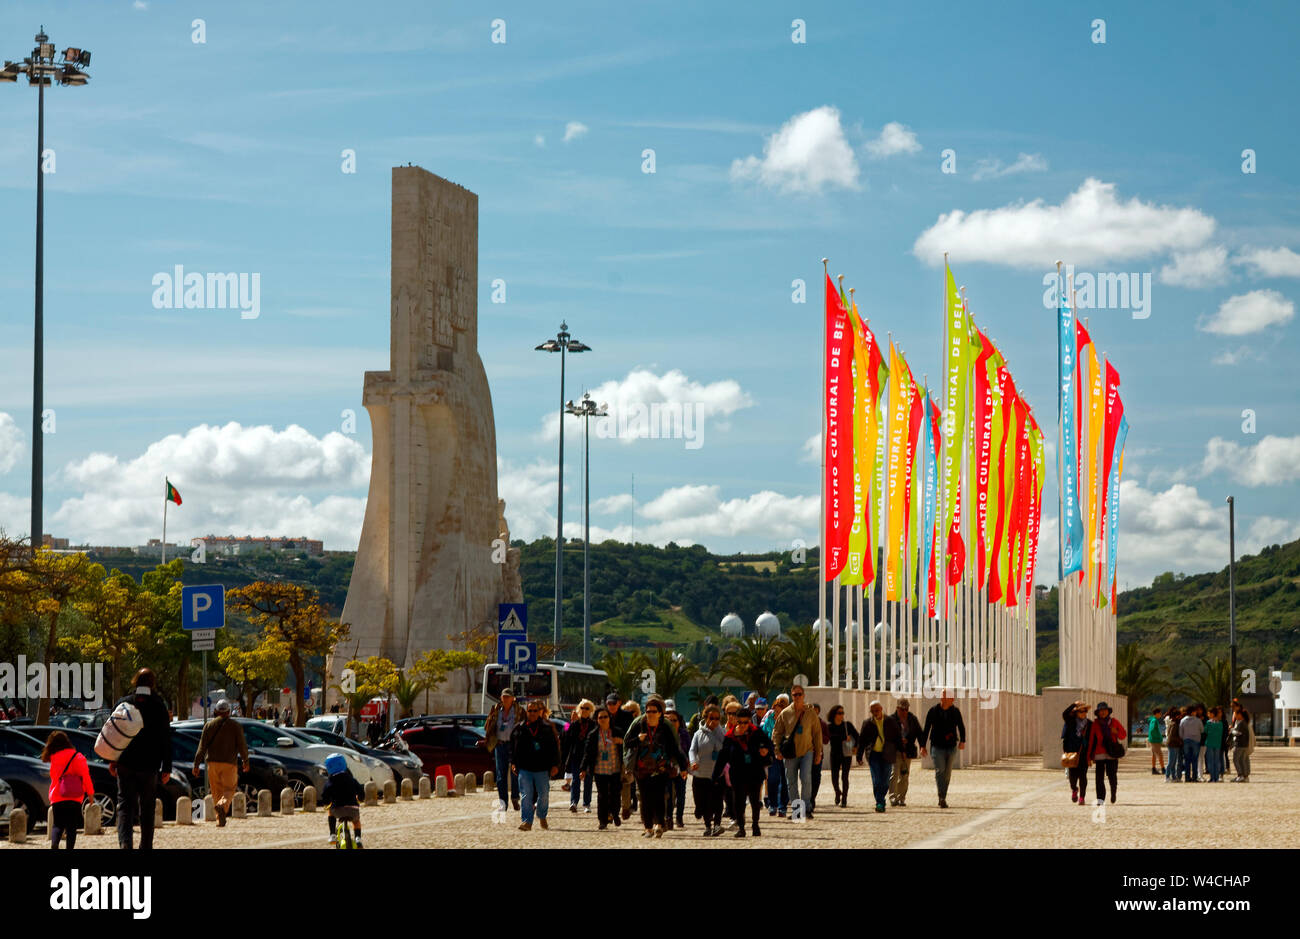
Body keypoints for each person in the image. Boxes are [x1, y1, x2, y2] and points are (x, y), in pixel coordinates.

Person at [109, 667, 172, 850]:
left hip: (125, 763)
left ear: (135, 681)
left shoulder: (124, 702)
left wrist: (112, 760)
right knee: (147, 808)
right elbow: (165, 738)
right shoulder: (159, 705)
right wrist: (166, 767)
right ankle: (146, 845)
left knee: (125, 806)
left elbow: (112, 732)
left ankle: (125, 843)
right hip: (149, 766)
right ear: (152, 683)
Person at [623, 696, 687, 838]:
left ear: (659, 713)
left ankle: (659, 824)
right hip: (641, 769)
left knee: (659, 796)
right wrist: (638, 740)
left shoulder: (665, 727)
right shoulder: (639, 724)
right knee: (645, 798)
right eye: (648, 711)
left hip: (661, 768)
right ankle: (648, 828)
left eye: (653, 711)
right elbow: (627, 743)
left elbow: (675, 748)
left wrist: (682, 767)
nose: (650, 714)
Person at [712, 707, 772, 838]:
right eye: (740, 722)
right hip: (737, 774)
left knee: (755, 802)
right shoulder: (730, 737)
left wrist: (765, 750)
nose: (743, 725)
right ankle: (742, 828)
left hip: (754, 773)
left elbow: (768, 744)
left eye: (746, 722)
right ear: (736, 722)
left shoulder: (756, 732)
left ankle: (755, 825)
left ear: (749, 721)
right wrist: (715, 775)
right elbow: (723, 756)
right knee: (738, 803)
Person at [192, 698, 250, 826]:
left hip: (212, 764)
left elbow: (202, 747)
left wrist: (196, 764)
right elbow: (242, 745)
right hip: (229, 763)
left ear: (216, 711)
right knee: (229, 789)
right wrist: (246, 760)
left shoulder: (209, 726)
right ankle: (222, 805)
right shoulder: (235, 726)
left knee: (216, 792)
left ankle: (219, 819)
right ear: (229, 712)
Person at [770, 684, 823, 818]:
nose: (797, 697)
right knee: (791, 781)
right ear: (791, 696)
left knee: (806, 778)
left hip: (807, 750)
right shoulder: (785, 713)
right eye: (795, 695)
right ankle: (797, 810)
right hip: (790, 753)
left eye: (800, 694)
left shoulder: (810, 712)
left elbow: (817, 733)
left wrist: (818, 752)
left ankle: (807, 808)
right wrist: (777, 750)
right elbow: (776, 732)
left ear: (804, 695)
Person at [510, 699, 561, 831]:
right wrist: (513, 763)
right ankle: (527, 821)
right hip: (525, 768)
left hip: (542, 768)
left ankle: (542, 815)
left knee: (543, 794)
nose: (532, 713)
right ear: (526, 712)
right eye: (530, 710)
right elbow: (514, 748)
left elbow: (554, 747)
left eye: (535, 711)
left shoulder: (547, 728)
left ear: (539, 712)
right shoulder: (520, 728)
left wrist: (555, 764)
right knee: (526, 795)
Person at [42, 730, 93, 850]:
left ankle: (55, 843)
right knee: (71, 827)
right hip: (74, 796)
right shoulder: (78, 757)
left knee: (58, 824)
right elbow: (86, 777)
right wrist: (90, 794)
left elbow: (54, 777)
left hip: (58, 795)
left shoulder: (54, 758)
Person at [579, 704, 623, 830]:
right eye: (600, 717)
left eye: (605, 716)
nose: (603, 719)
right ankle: (602, 820)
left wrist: (621, 742)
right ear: (597, 720)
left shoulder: (617, 732)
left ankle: (614, 813)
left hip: (615, 769)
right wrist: (583, 769)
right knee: (602, 795)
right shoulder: (593, 735)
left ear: (609, 718)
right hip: (600, 770)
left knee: (615, 794)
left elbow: (627, 747)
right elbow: (587, 753)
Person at [919, 690, 966, 808]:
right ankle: (942, 797)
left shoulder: (955, 712)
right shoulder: (933, 711)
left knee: (947, 773)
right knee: (940, 771)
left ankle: (943, 795)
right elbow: (926, 729)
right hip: (937, 746)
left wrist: (962, 741)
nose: (951, 699)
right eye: (945, 696)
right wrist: (922, 746)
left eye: (949, 697)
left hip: (951, 746)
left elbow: (961, 726)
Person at [858, 700, 902, 812]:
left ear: (881, 709)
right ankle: (880, 802)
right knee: (876, 780)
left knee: (886, 780)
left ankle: (880, 800)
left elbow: (897, 737)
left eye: (877, 710)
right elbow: (862, 740)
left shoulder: (890, 721)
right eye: (872, 711)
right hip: (873, 755)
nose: (875, 713)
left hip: (888, 754)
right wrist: (859, 755)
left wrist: (902, 751)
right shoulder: (867, 723)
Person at [689, 705, 726, 836]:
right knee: (702, 802)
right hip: (700, 774)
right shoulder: (698, 734)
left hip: (717, 774)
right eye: (711, 718)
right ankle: (706, 822)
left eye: (717, 718)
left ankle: (716, 825)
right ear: (706, 718)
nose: (714, 721)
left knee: (717, 801)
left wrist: (716, 732)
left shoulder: (722, 733)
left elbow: (725, 748)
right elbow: (692, 750)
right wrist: (693, 762)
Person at [486, 689, 525, 810]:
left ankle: (514, 798)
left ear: (513, 698)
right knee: (500, 775)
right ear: (501, 698)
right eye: (504, 697)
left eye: (508, 697)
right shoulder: (496, 710)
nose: (506, 699)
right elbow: (488, 725)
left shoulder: (519, 711)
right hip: (500, 744)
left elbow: (524, 726)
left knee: (515, 773)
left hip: (514, 745)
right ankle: (503, 803)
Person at [320, 753, 366, 847]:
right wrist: (360, 799)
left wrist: (327, 803)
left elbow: (325, 795)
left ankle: (332, 834)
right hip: (352, 809)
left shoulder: (330, 782)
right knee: (356, 821)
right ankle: (358, 838)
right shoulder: (351, 779)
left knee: (330, 812)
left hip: (337, 809)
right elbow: (361, 791)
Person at [886, 698, 924, 807]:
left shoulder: (912, 719)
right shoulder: (891, 719)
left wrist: (922, 746)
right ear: (897, 708)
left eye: (906, 709)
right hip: (895, 751)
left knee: (905, 775)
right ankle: (893, 797)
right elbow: (887, 735)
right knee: (894, 774)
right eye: (902, 709)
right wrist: (898, 740)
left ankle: (901, 797)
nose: (904, 712)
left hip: (908, 751)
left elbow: (919, 733)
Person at [1086, 701, 1126, 804]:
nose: (1103, 712)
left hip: (1112, 754)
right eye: (1101, 711)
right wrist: (1089, 756)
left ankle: (1113, 792)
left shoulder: (1114, 722)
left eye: (1105, 710)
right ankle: (1100, 799)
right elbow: (1091, 740)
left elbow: (1123, 735)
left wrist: (1116, 732)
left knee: (1112, 776)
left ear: (1108, 711)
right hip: (1099, 753)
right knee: (1099, 779)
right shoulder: (1095, 724)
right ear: (1098, 713)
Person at [562, 699, 596, 813]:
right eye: (582, 708)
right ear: (578, 709)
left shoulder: (594, 724)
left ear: (591, 710)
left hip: (589, 756)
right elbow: (565, 734)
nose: (584, 710)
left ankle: (587, 804)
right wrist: (569, 722)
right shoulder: (574, 724)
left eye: (587, 708)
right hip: (576, 755)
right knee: (576, 780)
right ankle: (574, 802)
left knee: (588, 780)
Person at [825, 705, 858, 807]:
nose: (842, 715)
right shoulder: (829, 727)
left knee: (845, 777)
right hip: (834, 754)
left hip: (846, 754)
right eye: (839, 713)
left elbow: (857, 736)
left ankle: (844, 799)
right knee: (834, 777)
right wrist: (843, 737)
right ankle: (837, 792)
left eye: (843, 713)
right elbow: (830, 738)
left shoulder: (847, 725)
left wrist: (855, 746)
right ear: (834, 714)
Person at [664, 704, 691, 829]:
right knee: (668, 794)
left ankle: (679, 818)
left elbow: (689, 749)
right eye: (669, 720)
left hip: (682, 768)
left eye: (675, 720)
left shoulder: (684, 734)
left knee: (681, 794)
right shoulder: (663, 734)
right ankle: (668, 818)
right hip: (667, 768)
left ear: (679, 722)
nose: (672, 722)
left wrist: (688, 762)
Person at [762, 694, 789, 817]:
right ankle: (772, 805)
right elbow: (763, 735)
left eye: (781, 709)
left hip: (785, 753)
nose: (777, 711)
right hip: (772, 753)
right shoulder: (769, 720)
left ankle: (782, 807)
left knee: (784, 781)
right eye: (776, 708)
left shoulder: (789, 720)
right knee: (772, 780)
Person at [1061, 700, 1091, 804]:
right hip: (1072, 753)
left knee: (1083, 776)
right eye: (1080, 711)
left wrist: (1092, 755)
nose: (1083, 713)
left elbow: (1093, 739)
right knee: (1072, 777)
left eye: (1084, 711)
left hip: (1083, 754)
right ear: (1076, 712)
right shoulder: (1071, 722)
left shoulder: (1089, 724)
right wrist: (1074, 704)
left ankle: (1082, 797)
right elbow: (1064, 714)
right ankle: (1074, 789)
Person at [620, 699, 642, 817]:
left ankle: (635, 802)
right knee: (627, 781)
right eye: (627, 710)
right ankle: (628, 804)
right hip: (626, 754)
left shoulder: (639, 722)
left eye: (632, 711)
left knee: (635, 782)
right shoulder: (623, 721)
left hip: (637, 755)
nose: (630, 713)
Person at [1179, 705, 1204, 783]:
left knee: (1187, 760)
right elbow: (1202, 730)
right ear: (1193, 712)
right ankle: (1194, 777)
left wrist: (1184, 738)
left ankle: (1187, 777)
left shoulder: (1183, 720)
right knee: (1195, 760)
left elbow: (1180, 733)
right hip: (1196, 741)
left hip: (1186, 741)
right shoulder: (1198, 720)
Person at [1229, 705, 1252, 782]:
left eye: (1236, 714)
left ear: (1240, 715)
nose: (1235, 715)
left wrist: (1232, 730)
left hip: (1239, 744)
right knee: (1242, 760)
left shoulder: (1242, 723)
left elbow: (1238, 733)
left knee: (1236, 760)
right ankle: (1245, 776)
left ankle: (1240, 775)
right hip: (1244, 745)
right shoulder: (1243, 722)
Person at [1203, 707, 1225, 783]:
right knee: (1217, 761)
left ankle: (1212, 777)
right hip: (1218, 743)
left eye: (1209, 713)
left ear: (1212, 714)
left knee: (1210, 761)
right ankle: (1216, 777)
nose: (1208, 715)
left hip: (1209, 743)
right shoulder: (1220, 723)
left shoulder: (1209, 723)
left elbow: (1205, 731)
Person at [1164, 707, 1183, 782]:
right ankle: (1167, 776)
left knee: (1174, 761)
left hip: (1175, 745)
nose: (1180, 717)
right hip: (1172, 744)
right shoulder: (1174, 724)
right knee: (1171, 762)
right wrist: (1180, 740)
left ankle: (1174, 777)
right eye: (1179, 716)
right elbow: (1171, 736)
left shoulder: (1175, 723)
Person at [1147, 707, 1165, 775]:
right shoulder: (1154, 721)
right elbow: (1152, 730)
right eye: (1160, 713)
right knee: (1160, 755)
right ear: (1156, 713)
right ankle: (1163, 769)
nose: (1161, 714)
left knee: (1154, 755)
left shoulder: (1152, 720)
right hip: (1155, 741)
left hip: (1153, 740)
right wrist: (1159, 738)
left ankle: (1153, 769)